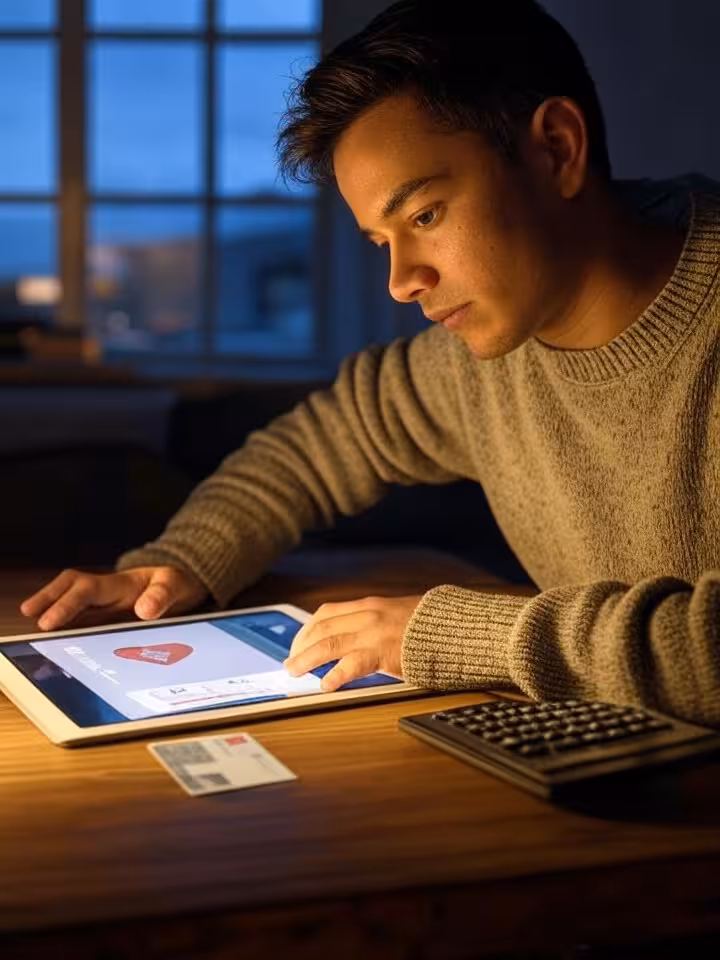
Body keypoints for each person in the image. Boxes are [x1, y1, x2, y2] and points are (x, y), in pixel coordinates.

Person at [20, 0, 720, 725]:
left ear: (557, 150)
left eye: (424, 216)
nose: (401, 281)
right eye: (382, 241)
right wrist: (180, 563)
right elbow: (310, 449)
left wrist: (462, 634)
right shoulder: (475, 359)